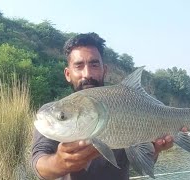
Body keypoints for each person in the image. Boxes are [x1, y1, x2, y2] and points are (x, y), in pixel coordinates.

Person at [31, 32, 179, 180]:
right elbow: (39, 163)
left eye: (94, 65)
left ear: (105, 70)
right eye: (79, 66)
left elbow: (140, 166)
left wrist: (155, 150)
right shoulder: (52, 111)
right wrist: (60, 163)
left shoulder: (123, 102)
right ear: (68, 74)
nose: (87, 73)